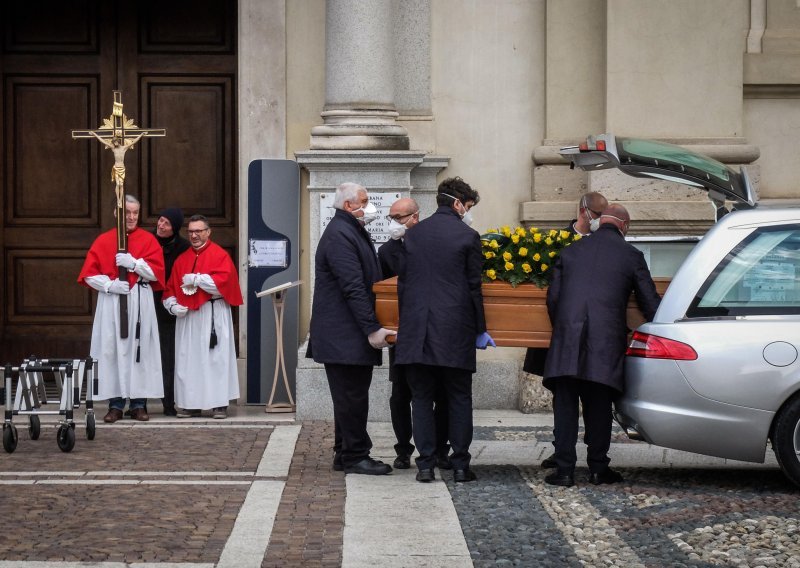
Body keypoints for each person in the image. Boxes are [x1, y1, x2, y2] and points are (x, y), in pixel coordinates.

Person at [543, 204, 661, 487]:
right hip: (605, 342)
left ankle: (564, 470)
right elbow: (649, 303)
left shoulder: (570, 251)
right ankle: (598, 468)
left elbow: (553, 300)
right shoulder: (631, 256)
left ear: (598, 222)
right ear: (625, 226)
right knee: (599, 405)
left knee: (566, 406)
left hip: (567, 341)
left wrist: (565, 329)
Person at [395, 177, 494, 483]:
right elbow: (473, 288)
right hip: (454, 330)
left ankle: (425, 465)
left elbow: (403, 285)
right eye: (467, 206)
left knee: (421, 398)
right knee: (459, 397)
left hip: (416, 330)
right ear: (456, 203)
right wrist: (480, 329)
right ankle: (461, 464)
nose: (467, 211)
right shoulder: (468, 237)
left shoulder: (413, 236)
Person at [307, 182, 396, 476]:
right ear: (348, 205)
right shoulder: (341, 234)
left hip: (344, 333)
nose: (370, 206)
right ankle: (356, 455)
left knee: (349, 397)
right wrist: (372, 328)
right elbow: (353, 287)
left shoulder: (349, 230)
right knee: (352, 397)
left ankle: (345, 452)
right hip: (344, 334)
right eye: (365, 200)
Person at [523, 191, 608, 468]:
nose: (598, 221)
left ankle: (593, 455)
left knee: (593, 397)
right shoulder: (555, 242)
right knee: (564, 397)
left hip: (592, 334)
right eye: (596, 215)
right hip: (563, 333)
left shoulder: (604, 242)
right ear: (583, 211)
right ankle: (562, 451)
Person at [77, 194, 165, 423]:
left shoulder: (148, 240)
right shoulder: (104, 240)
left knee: (140, 351)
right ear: (117, 214)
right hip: (113, 301)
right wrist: (109, 285)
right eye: (127, 213)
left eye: (135, 213)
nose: (132, 217)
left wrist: (134, 264)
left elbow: (157, 273)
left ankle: (138, 405)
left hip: (140, 300)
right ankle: (115, 405)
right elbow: (89, 274)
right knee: (111, 350)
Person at [378, 198, 451, 470]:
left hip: (434, 330)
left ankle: (440, 448)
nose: (395, 222)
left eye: (400, 217)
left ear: (415, 217)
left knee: (440, 393)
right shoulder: (387, 251)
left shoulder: (434, 245)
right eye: (392, 217)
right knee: (401, 394)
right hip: (403, 331)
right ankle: (403, 448)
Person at [162, 215, 243, 419]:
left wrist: (198, 279)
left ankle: (218, 404)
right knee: (189, 360)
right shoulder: (183, 259)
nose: (194, 235)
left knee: (215, 359)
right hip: (188, 317)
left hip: (212, 313)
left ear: (208, 232)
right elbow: (170, 288)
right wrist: (172, 306)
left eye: (198, 231)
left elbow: (223, 284)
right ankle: (191, 403)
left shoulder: (220, 255)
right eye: (190, 232)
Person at [151, 208, 190, 416]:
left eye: (166, 223)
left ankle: (168, 402)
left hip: (169, 307)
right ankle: (136, 403)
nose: (160, 225)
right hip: (146, 303)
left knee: (168, 355)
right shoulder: (148, 241)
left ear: (174, 228)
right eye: (160, 220)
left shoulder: (183, 248)